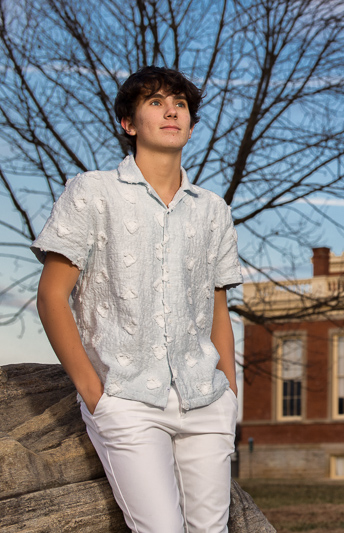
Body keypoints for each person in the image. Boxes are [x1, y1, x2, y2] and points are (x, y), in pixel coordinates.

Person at [32, 66, 242, 533]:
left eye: (181, 104)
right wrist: (95, 395)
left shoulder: (213, 210)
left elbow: (218, 310)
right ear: (129, 124)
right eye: (155, 102)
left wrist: (230, 393)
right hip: (126, 399)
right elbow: (51, 296)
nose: (171, 110)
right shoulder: (92, 192)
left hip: (205, 401)